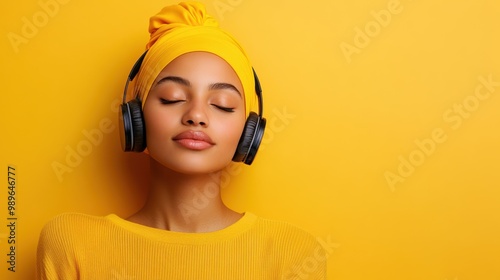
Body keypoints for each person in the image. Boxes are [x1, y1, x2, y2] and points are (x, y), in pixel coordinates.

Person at [36, 2, 327, 279]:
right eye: (172, 98)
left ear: (248, 131)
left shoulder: (293, 254)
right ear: (135, 117)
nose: (196, 115)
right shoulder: (71, 245)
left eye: (223, 104)